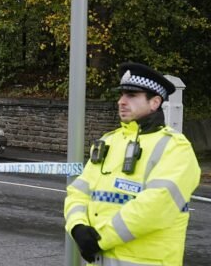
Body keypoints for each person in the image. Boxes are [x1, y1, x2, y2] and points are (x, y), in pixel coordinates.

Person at [64, 62, 201, 265]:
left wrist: (98, 240)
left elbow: (154, 208)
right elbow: (79, 191)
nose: (121, 101)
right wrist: (77, 227)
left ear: (155, 102)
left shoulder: (175, 147)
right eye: (121, 95)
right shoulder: (108, 141)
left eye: (132, 96)